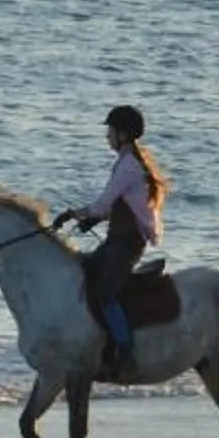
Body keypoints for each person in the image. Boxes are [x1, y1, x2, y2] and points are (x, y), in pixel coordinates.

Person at [69, 103, 170, 378]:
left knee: (104, 294)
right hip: (117, 240)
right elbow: (117, 206)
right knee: (84, 271)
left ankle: (124, 351)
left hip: (126, 244)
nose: (107, 136)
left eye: (110, 131)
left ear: (123, 134)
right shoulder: (128, 162)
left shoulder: (128, 166)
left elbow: (103, 204)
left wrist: (75, 214)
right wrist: (91, 219)